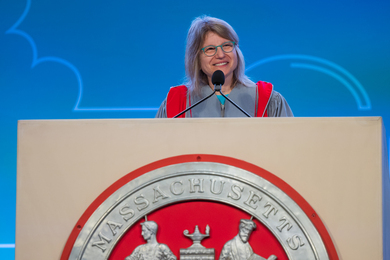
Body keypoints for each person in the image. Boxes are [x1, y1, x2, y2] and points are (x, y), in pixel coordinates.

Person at [156, 16, 293, 118]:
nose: (220, 55)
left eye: (227, 46)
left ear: (236, 51)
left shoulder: (268, 100)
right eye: (210, 49)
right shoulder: (176, 104)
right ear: (196, 58)